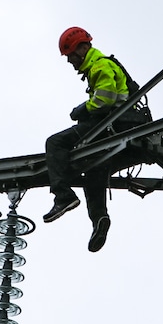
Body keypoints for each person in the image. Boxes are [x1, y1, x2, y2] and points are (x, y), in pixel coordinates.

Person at [42, 26, 136, 252]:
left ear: (82, 49)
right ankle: (99, 219)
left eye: (71, 55)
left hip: (112, 125)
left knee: (55, 143)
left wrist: (83, 109)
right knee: (94, 170)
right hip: (118, 124)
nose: (70, 61)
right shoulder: (100, 65)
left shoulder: (100, 65)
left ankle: (63, 196)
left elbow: (105, 100)